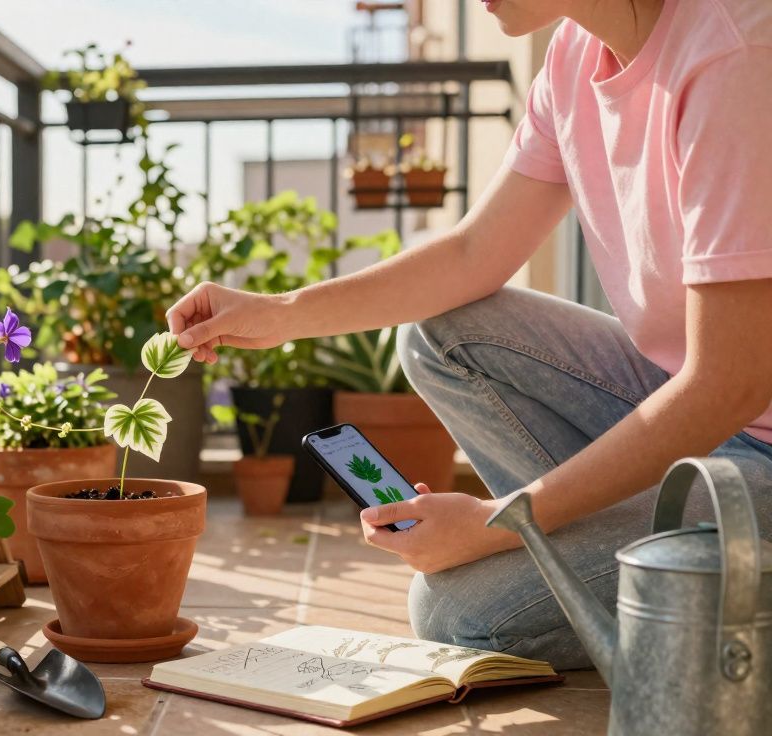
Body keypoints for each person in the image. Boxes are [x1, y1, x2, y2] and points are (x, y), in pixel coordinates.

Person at [169, 0, 772, 670]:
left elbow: (728, 383)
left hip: (755, 454)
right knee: (441, 333)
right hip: (697, 423)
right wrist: (278, 312)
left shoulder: (734, 56)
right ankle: (631, 552)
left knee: (457, 613)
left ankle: (710, 601)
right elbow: (471, 255)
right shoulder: (573, 55)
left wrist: (500, 523)